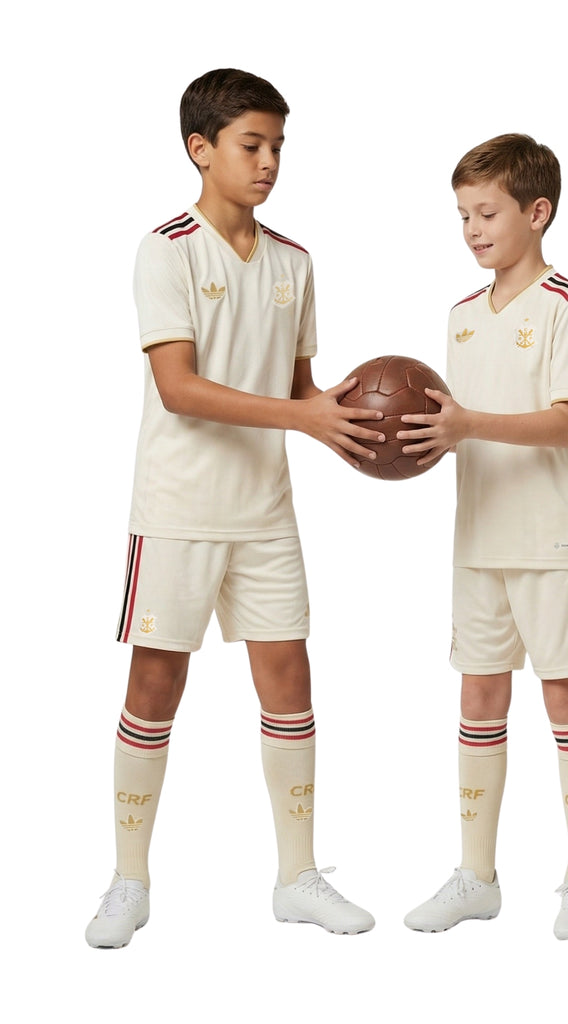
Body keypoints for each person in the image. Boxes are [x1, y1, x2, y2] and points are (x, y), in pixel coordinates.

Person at [85, 69, 384, 948]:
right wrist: (303, 417)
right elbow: (179, 388)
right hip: (177, 508)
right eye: (251, 145)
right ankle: (128, 881)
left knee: (290, 680)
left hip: (265, 512)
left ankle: (298, 877)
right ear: (200, 148)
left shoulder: (295, 261)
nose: (269, 162)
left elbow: (299, 390)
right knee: (155, 684)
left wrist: (357, 421)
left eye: (278, 146)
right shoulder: (165, 250)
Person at [397, 134, 568, 941]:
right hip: (477, 539)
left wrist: (466, 424)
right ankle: (476, 877)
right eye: (463, 215)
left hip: (551, 542)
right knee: (479, 699)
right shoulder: (459, 317)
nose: (472, 229)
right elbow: (453, 427)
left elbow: (564, 424)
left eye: (487, 213)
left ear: (537, 211)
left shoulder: (567, 304)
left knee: (565, 699)